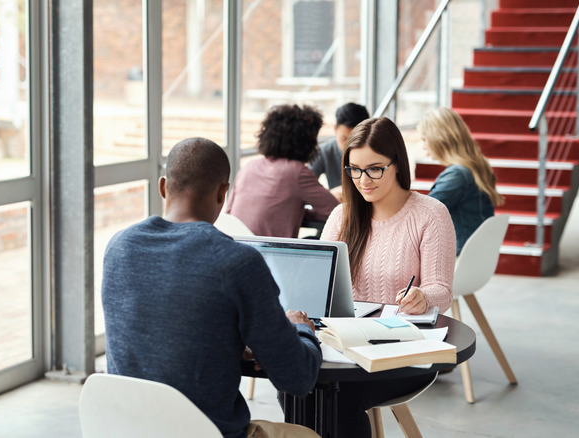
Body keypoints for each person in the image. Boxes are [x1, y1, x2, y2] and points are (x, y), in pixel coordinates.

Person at [102, 137, 323, 438]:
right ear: (223, 193)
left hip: (125, 429)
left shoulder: (118, 248)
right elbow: (297, 378)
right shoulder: (237, 262)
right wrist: (301, 330)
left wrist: (228, 340)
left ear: (163, 186)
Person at [317, 118, 456, 437]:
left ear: (397, 164)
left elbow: (442, 290)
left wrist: (423, 296)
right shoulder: (342, 215)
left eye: (374, 169)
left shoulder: (430, 214)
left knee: (339, 398)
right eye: (354, 169)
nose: (363, 180)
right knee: (296, 383)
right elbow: (321, 280)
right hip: (344, 343)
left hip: (402, 350)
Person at [226, 104, 339, 238]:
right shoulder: (296, 172)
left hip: (233, 247)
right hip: (270, 254)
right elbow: (336, 212)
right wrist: (300, 212)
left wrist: (295, 210)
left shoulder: (248, 166)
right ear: (306, 142)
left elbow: (229, 212)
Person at [418, 107, 505, 255]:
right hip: (476, 256)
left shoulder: (457, 175)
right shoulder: (475, 168)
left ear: (439, 139)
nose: (424, 145)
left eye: (425, 139)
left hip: (458, 258)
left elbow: (423, 214)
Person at [309, 102, 370, 201]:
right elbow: (306, 185)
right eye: (345, 138)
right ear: (335, 129)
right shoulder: (324, 151)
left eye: (355, 139)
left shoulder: (375, 152)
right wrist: (329, 194)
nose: (349, 145)